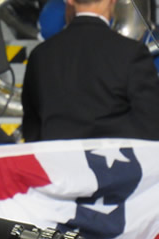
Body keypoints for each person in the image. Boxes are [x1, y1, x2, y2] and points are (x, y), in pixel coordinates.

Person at [21, 0, 159, 141]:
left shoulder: (40, 55)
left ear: (69, 1)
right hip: (115, 160)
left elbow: (32, 127)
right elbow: (151, 122)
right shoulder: (132, 52)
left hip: (54, 160)